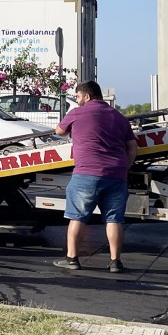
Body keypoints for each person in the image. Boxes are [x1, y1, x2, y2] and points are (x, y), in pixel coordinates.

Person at [52, 81, 137, 273]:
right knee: (114, 219)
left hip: (86, 174)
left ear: (87, 96)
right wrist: (126, 166)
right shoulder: (119, 117)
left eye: (78, 97)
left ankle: (72, 259)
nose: (77, 100)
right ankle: (115, 262)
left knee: (77, 218)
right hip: (116, 174)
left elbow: (59, 131)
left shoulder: (77, 113)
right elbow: (132, 146)